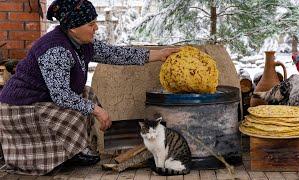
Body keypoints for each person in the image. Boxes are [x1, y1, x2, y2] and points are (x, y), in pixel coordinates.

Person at [0, 0, 179, 175]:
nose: (96, 28)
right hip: (21, 108)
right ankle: (55, 157)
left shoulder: (82, 43)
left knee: (86, 94)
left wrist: (159, 54)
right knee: (80, 107)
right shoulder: (55, 49)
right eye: (91, 24)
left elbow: (116, 54)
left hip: (42, 100)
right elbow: (61, 96)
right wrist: (98, 111)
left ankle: (74, 151)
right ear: (73, 27)